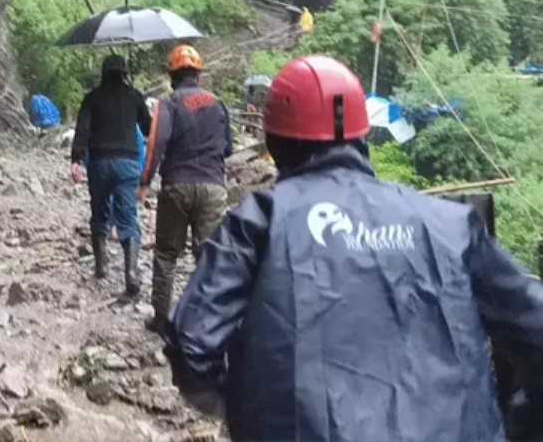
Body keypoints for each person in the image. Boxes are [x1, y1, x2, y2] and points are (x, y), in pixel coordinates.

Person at [161, 55, 543, 442]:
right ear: (364, 136)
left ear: (274, 143)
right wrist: (519, 424)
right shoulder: (451, 224)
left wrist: (247, 408)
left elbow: (192, 344)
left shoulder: (260, 221)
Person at [140, 45, 232, 322]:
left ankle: (161, 319)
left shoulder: (168, 104)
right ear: (198, 75)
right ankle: (208, 318)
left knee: (167, 255)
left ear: (172, 76)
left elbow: (156, 143)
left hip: (177, 185)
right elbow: (227, 148)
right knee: (208, 255)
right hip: (213, 186)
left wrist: (145, 180)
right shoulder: (218, 103)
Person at [70, 54, 151, 296]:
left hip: (99, 162)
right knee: (128, 216)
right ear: (125, 73)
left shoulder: (92, 98)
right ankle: (131, 273)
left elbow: (82, 129)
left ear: (103, 74)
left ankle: (102, 265)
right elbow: (148, 128)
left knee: (100, 211)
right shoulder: (135, 96)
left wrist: (76, 160)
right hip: (127, 163)